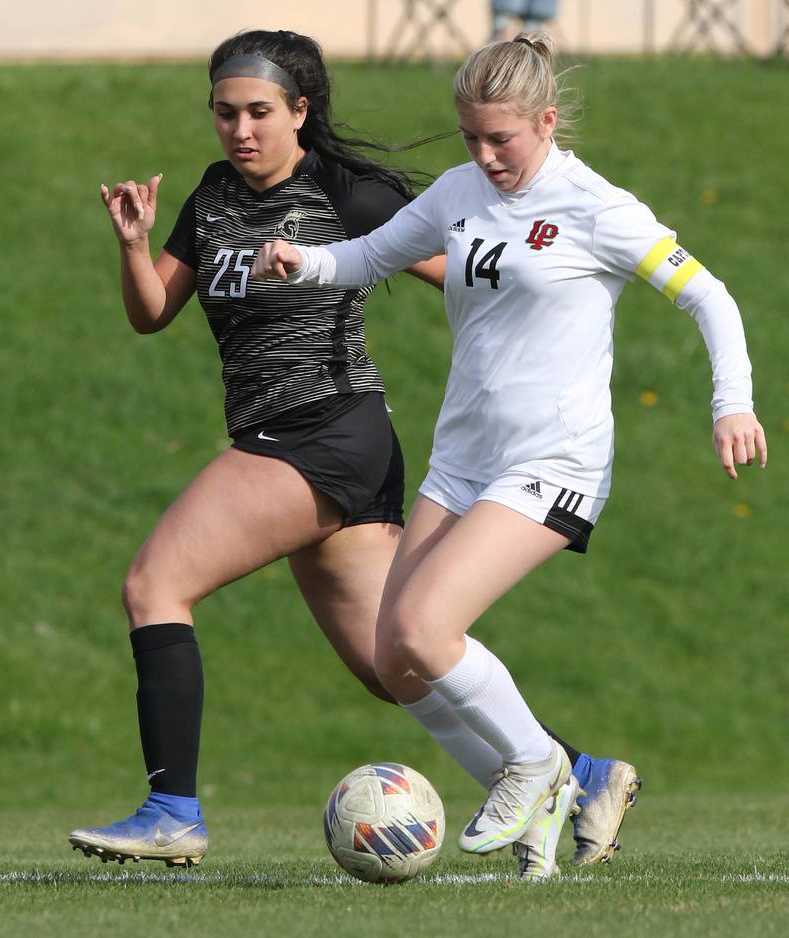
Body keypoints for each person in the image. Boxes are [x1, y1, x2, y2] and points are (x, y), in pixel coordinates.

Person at [66, 29, 632, 876]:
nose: (239, 129)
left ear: (301, 109)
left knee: (155, 585)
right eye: (224, 113)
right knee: (391, 664)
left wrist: (537, 366)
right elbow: (152, 313)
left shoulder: (349, 195)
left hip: (326, 432)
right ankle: (582, 777)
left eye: (259, 111)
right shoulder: (213, 197)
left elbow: (480, 271)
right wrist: (132, 243)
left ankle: (171, 811)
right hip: (290, 438)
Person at [253, 32, 767, 878]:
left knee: (427, 625)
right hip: (462, 459)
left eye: (504, 139)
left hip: (553, 460)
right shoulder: (460, 192)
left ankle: (539, 768)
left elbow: (708, 296)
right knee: (396, 659)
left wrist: (731, 404)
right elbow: (369, 257)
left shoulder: (596, 206)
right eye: (472, 138)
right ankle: (542, 800)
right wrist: (302, 261)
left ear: (548, 121)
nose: (486, 156)